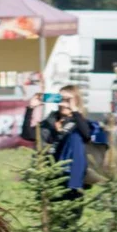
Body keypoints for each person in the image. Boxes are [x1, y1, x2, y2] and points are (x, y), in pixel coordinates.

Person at [22, 85, 92, 220]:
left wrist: (75, 111)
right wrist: (30, 108)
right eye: (60, 98)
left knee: (70, 224)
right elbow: (28, 134)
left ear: (76, 101)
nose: (63, 103)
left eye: (67, 99)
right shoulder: (50, 121)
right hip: (51, 179)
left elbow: (86, 135)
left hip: (72, 180)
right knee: (52, 224)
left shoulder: (80, 122)